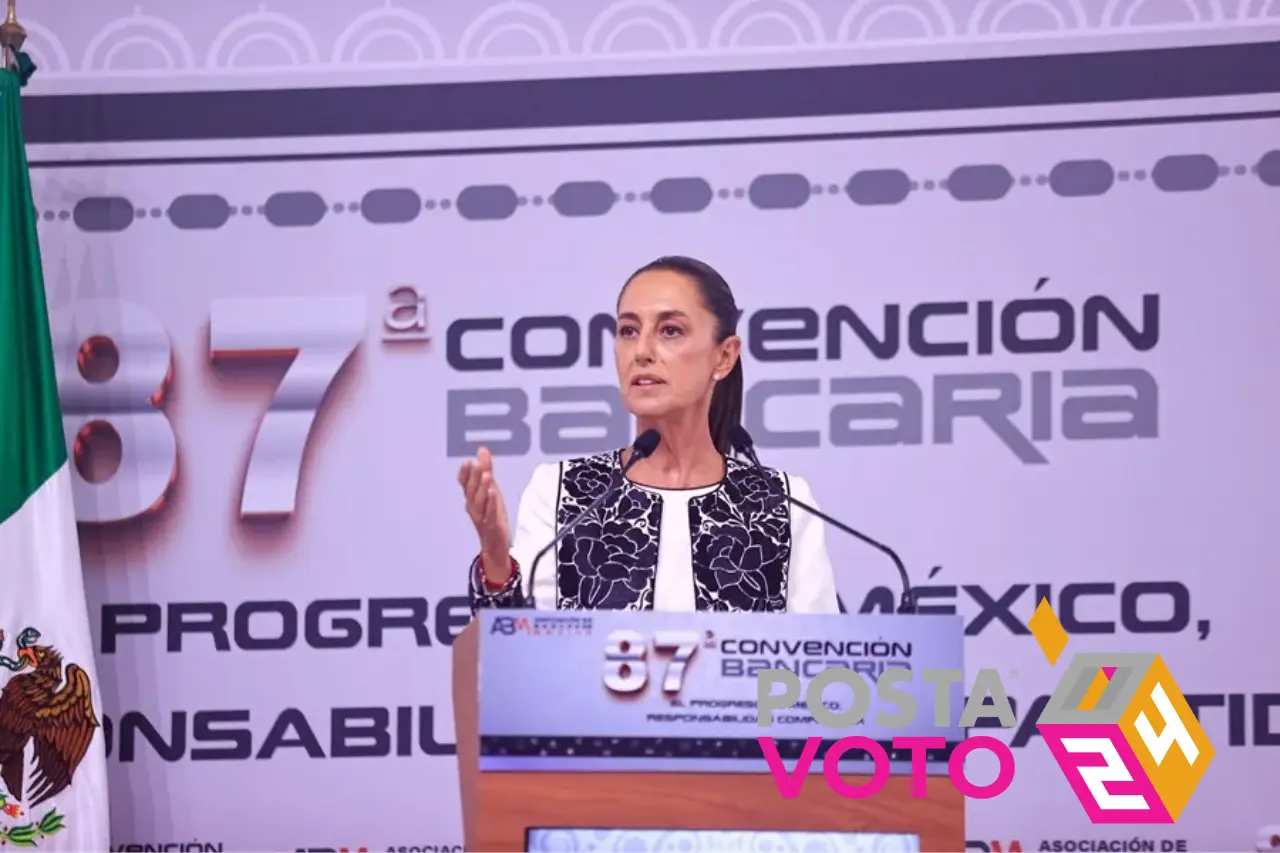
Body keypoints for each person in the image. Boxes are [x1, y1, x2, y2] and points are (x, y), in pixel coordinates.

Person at [456, 255, 839, 614]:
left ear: (724, 356)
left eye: (670, 330)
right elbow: (513, 660)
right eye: (628, 330)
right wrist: (495, 558)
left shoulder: (780, 501)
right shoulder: (563, 490)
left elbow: (819, 664)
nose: (641, 351)